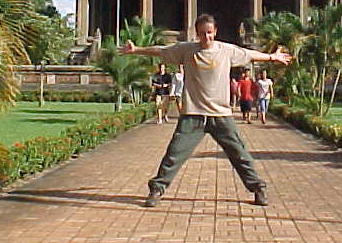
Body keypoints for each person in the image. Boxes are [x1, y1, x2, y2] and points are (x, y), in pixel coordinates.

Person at [120, 13, 291, 208]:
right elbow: (162, 51)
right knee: (174, 153)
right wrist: (136, 50)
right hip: (193, 115)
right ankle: (157, 189)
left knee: (240, 153)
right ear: (197, 34)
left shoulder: (226, 50)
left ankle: (258, 188)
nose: (206, 38)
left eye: (210, 33)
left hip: (221, 115)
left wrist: (272, 57)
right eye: (202, 34)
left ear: (215, 32)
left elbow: (249, 54)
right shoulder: (187, 50)